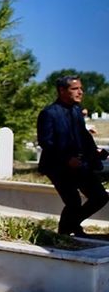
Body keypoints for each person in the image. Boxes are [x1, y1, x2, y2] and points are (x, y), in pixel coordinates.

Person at [37, 76, 109, 237]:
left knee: (100, 196)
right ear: (62, 91)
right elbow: (46, 142)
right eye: (75, 89)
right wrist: (66, 159)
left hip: (79, 164)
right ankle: (65, 232)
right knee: (73, 201)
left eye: (80, 88)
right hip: (57, 166)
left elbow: (82, 135)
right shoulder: (48, 113)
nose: (80, 92)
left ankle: (71, 225)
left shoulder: (76, 110)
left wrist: (94, 150)